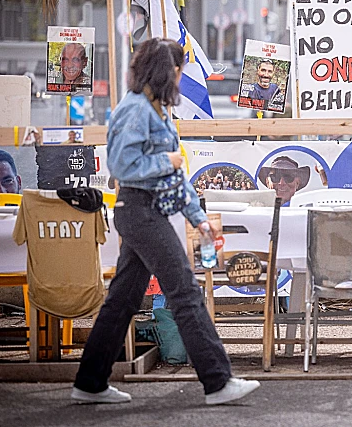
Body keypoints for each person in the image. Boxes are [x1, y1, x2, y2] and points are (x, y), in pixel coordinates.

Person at [72, 38, 259, 405]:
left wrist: (198, 217)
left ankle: (90, 381)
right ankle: (218, 381)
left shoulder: (156, 110)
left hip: (147, 211)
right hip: (139, 210)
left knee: (123, 300)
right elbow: (122, 167)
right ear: (168, 71)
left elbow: (177, 178)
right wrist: (166, 162)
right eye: (179, 70)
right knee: (185, 291)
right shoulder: (136, 109)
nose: (181, 77)